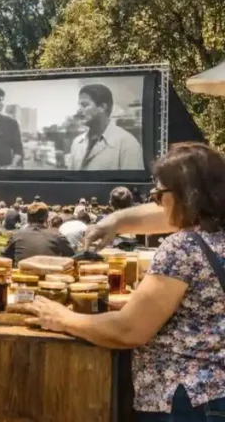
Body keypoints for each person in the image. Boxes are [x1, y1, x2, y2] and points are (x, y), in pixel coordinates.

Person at [29, 142, 225, 420]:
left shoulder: (182, 247)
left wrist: (60, 317)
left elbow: (129, 330)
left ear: (183, 195)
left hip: (183, 403)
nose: (156, 202)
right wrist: (116, 221)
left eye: (158, 195)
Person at [66, 84, 144, 171]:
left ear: (102, 107)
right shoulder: (77, 143)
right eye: (79, 105)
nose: (79, 110)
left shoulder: (127, 144)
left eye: (84, 105)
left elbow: (132, 183)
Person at [0, 202, 74, 265]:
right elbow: (72, 256)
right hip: (49, 278)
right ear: (46, 218)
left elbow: (5, 256)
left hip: (23, 278)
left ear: (28, 218)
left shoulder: (16, 235)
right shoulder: (57, 236)